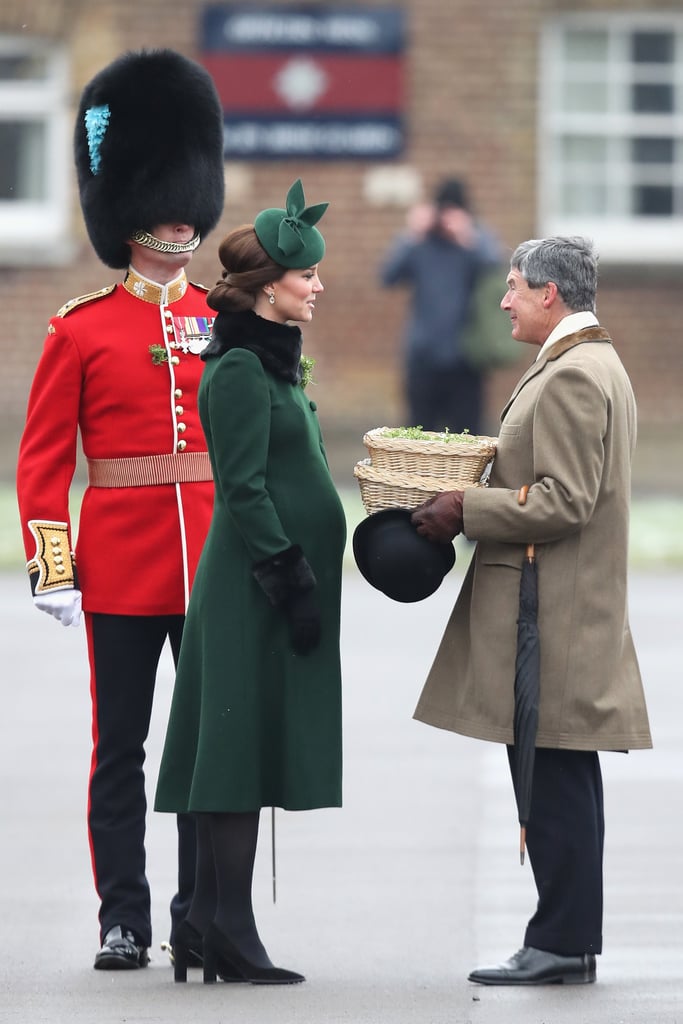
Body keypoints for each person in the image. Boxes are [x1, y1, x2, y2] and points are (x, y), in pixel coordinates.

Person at [15, 49, 225, 970]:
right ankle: (123, 917)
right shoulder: (82, 327)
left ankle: (199, 911)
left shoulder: (225, 320)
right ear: (127, 212)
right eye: (161, 201)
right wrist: (53, 564)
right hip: (120, 569)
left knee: (204, 754)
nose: (178, 216)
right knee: (120, 754)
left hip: (212, 562)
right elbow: (42, 463)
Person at [410, 236, 651, 985]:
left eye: (513, 287)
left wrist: (464, 508)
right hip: (557, 608)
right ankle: (564, 938)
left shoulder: (576, 373)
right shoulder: (578, 363)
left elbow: (566, 500)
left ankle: (559, 941)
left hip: (555, 615)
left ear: (549, 293)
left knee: (552, 784)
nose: (504, 299)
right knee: (557, 779)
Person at [154, 179, 346, 986]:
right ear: (272, 288)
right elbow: (242, 487)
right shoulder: (235, 367)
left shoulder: (272, 360)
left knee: (247, 741)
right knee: (231, 750)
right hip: (251, 587)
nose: (318, 286)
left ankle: (203, 923)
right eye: (307, 277)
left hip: (273, 585)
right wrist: (288, 575)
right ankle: (228, 928)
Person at [379, 177, 502, 435]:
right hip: (423, 357)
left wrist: (468, 236)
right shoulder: (421, 242)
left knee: (468, 435)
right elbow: (387, 276)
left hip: (466, 358)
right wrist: (411, 234)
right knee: (418, 433)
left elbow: (499, 270)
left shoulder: (474, 240)